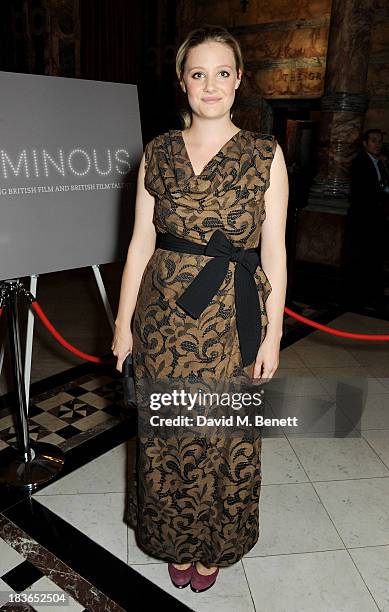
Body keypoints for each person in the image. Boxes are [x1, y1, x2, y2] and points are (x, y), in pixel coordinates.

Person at [111, 25, 288, 593]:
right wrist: (123, 324)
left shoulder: (266, 153)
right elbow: (139, 243)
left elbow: (275, 254)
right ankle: (174, 538)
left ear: (239, 79)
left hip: (234, 318)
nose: (209, 84)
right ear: (182, 82)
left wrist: (273, 335)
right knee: (167, 431)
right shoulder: (158, 152)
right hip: (164, 317)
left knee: (222, 434)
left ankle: (213, 544)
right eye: (197, 73)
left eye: (221, 72)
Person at [344, 128, 389, 311]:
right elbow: (365, 192)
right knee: (361, 259)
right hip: (363, 221)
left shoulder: (379, 163)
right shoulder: (360, 162)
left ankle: (371, 296)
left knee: (373, 258)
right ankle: (358, 299)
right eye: (374, 141)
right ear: (365, 143)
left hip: (376, 220)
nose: (377, 144)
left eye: (380, 141)